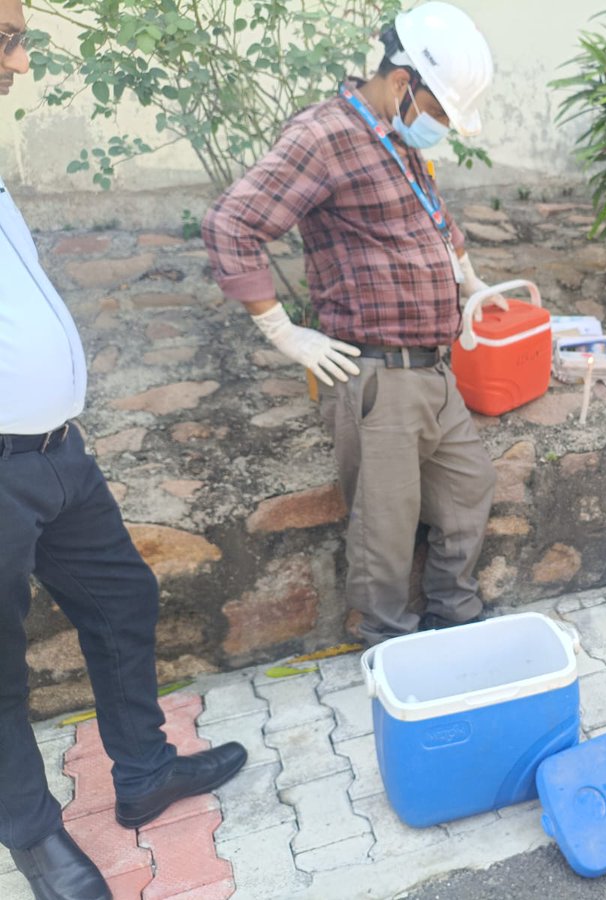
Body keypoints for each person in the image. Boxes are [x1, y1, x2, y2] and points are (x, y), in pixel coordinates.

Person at [0, 5, 247, 898]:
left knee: (123, 597)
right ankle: (37, 841)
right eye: (5, 39)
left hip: (57, 454)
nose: (20, 63)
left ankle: (143, 772)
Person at [203, 3, 504, 646]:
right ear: (402, 83)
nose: (442, 127)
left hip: (432, 368)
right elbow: (232, 224)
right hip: (376, 373)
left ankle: (455, 614)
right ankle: (387, 644)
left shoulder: (395, 135)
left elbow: (430, 214)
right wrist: (283, 331)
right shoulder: (323, 136)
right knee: (385, 526)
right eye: (440, 111)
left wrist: (467, 276)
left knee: (468, 486)